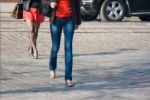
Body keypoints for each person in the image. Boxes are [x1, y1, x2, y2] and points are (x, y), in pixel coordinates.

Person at [49, 0, 81, 87]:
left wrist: (77, 21)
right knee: (55, 47)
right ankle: (52, 67)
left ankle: (68, 78)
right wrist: (50, 3)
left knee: (68, 48)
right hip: (55, 19)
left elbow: (77, 4)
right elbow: (44, 1)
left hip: (69, 20)